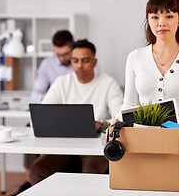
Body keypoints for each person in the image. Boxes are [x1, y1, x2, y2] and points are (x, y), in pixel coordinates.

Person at [118, 0, 179, 177]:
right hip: (142, 137)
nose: (161, 23)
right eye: (155, 17)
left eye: (168, 15)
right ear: (148, 20)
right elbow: (129, 103)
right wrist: (116, 123)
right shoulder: (135, 57)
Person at [29, 39, 123, 185]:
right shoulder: (61, 82)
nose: (79, 65)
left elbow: (120, 117)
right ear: (71, 62)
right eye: (75, 60)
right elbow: (45, 111)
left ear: (94, 61)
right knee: (37, 171)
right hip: (64, 144)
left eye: (85, 60)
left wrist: (101, 125)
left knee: (90, 174)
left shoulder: (109, 83)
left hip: (95, 145)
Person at [9, 30, 74, 196]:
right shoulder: (47, 65)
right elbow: (36, 93)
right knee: (30, 128)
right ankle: (30, 181)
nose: (62, 58)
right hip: (53, 111)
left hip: (74, 115)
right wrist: (51, 97)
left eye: (66, 54)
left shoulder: (82, 62)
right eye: (58, 54)